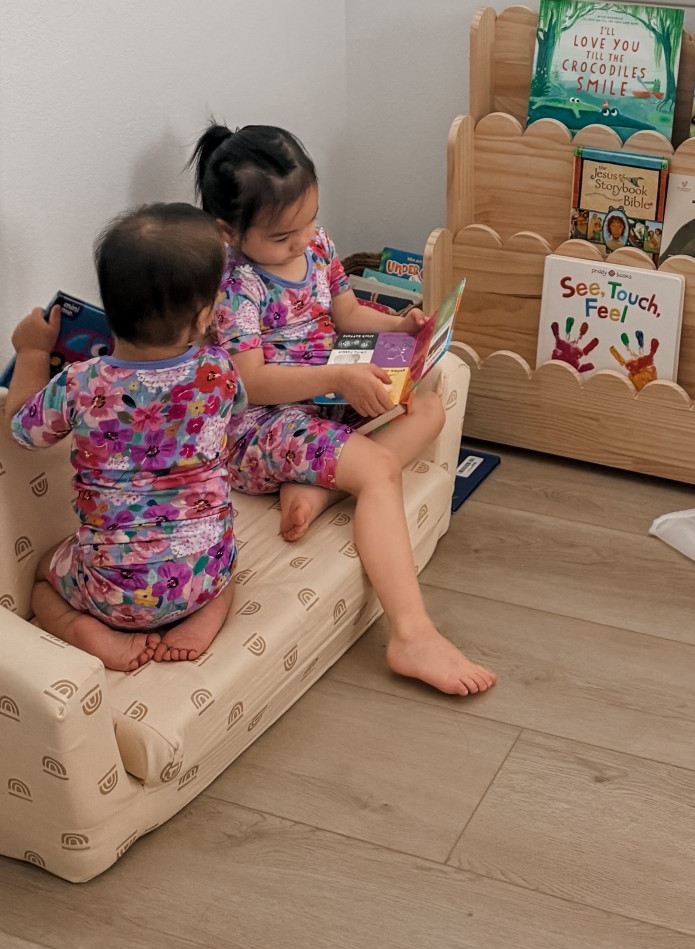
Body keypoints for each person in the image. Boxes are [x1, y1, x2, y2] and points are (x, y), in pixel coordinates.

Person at [192, 122, 495, 698]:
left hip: (327, 398)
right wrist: (337, 375)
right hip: (262, 425)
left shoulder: (319, 243)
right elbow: (250, 382)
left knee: (426, 411)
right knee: (378, 470)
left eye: (310, 221)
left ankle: (322, 487)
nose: (304, 241)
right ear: (229, 232)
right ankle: (411, 633)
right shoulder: (237, 286)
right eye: (284, 236)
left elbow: (348, 313)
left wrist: (400, 324)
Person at [4, 204, 241, 673]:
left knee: (38, 579)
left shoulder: (82, 382)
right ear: (203, 318)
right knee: (227, 557)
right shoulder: (219, 370)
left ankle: (87, 632)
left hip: (115, 594)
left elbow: (22, 430)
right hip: (203, 572)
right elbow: (232, 417)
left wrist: (31, 350)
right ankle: (205, 617)